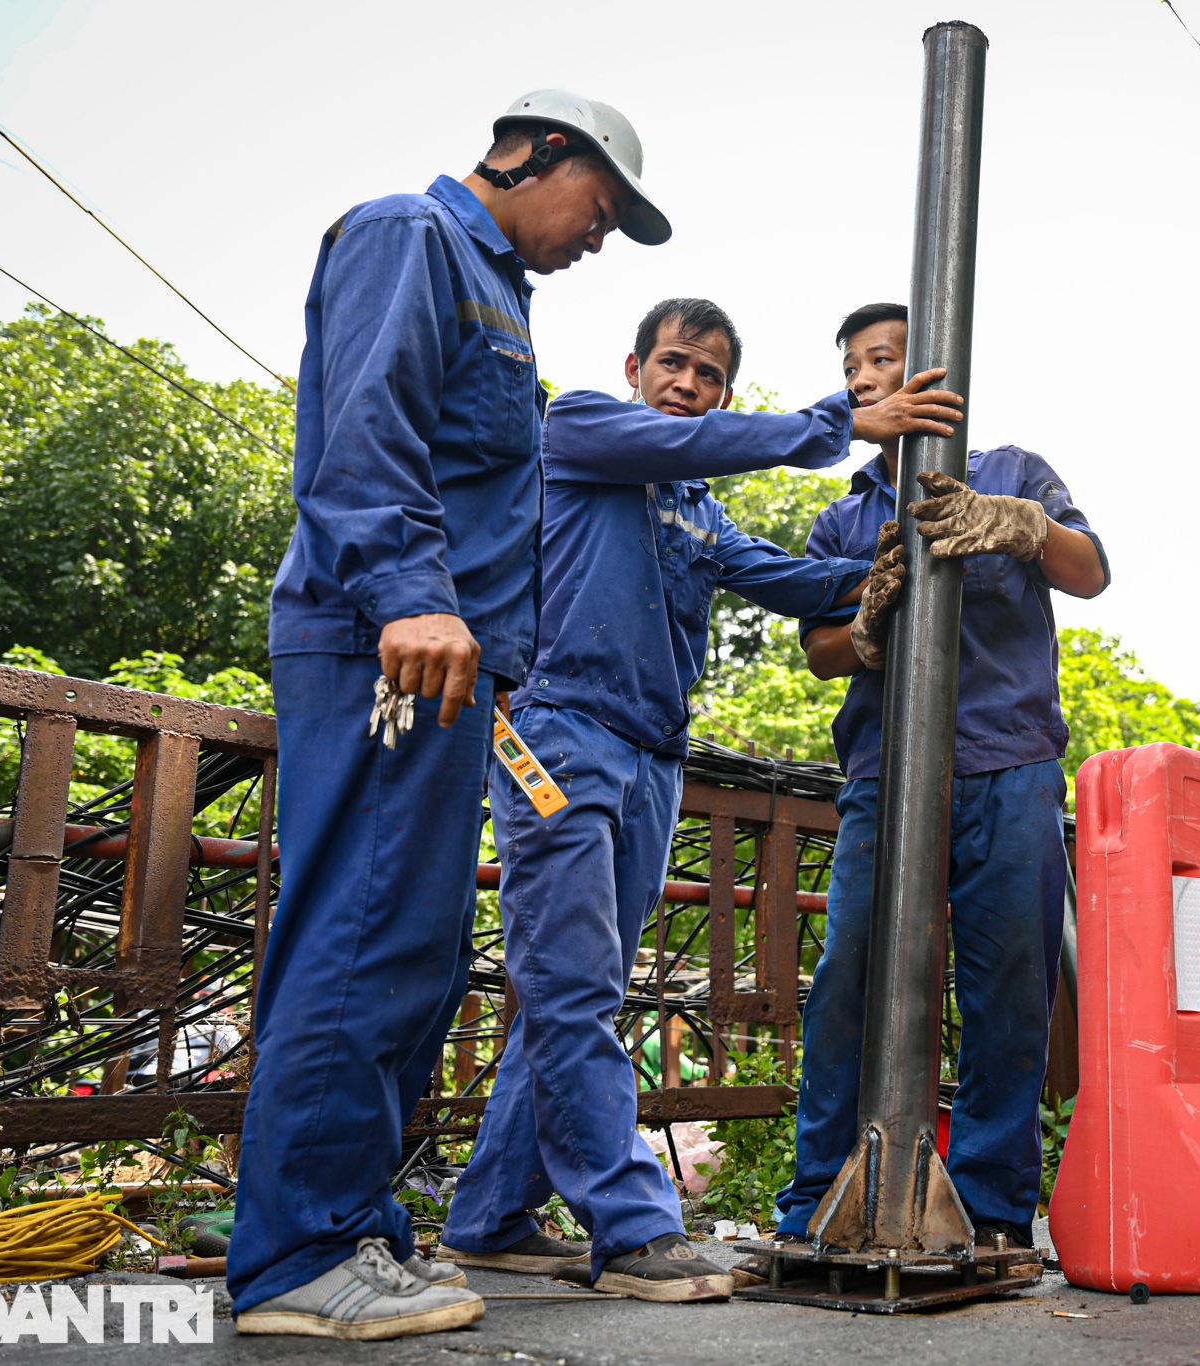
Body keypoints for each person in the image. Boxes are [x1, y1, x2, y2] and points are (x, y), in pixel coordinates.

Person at [230, 91, 668, 1341]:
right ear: (543, 153)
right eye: (602, 207)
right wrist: (413, 596)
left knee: (412, 947)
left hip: (454, 668)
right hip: (387, 641)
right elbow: (365, 432)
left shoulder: (504, 297)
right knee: (361, 930)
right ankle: (296, 1254)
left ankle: (354, 1227)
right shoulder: (404, 237)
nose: (600, 236)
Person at [433, 299, 964, 1302]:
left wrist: (894, 568)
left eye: (707, 375)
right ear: (636, 365)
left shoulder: (698, 510)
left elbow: (789, 581)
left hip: (650, 759)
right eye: (672, 364)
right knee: (579, 980)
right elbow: (720, 443)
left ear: (722, 389)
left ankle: (491, 1216)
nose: (686, 384)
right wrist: (839, 422)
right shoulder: (580, 428)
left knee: (572, 987)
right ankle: (633, 1230)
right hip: (557, 736)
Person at [756, 301, 1109, 1268]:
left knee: (1007, 985)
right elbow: (823, 651)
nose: (869, 377)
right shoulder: (845, 513)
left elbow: (1092, 573)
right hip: (884, 769)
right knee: (849, 985)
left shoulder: (1015, 471)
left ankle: (995, 1207)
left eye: (886, 359)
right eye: (856, 367)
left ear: (941, 373)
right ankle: (819, 1199)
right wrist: (866, 623)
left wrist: (1022, 526)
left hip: (1009, 763)